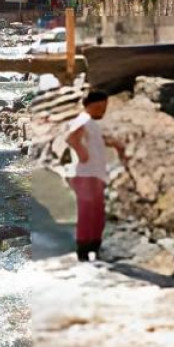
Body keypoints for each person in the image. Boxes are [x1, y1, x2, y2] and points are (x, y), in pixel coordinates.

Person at [61, 89, 124, 262]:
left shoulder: (91, 123)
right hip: (85, 174)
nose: (103, 111)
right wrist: (82, 154)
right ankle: (83, 252)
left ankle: (94, 249)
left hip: (95, 174)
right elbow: (70, 137)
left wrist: (114, 144)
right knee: (87, 213)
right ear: (92, 105)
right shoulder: (83, 119)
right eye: (101, 107)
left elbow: (95, 141)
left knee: (97, 213)